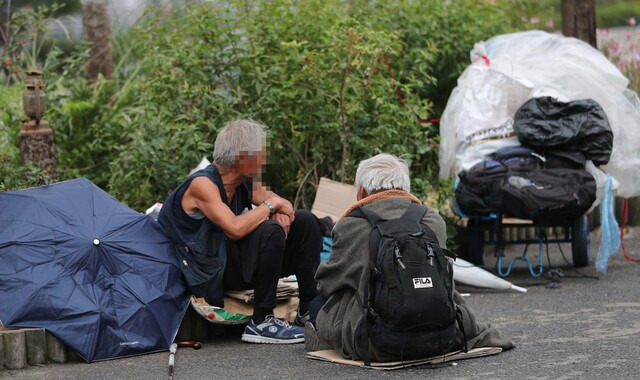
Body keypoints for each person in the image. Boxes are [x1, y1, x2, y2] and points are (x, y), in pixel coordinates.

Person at [308, 153, 514, 359]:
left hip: (375, 341)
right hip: (443, 333)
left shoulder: (350, 225)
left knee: (317, 303)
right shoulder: (432, 219)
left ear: (362, 191)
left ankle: (319, 336)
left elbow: (329, 282)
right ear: (405, 188)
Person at [158, 119, 322, 344]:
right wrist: (271, 207)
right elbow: (235, 228)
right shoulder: (202, 185)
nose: (264, 160)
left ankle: (308, 311)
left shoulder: (244, 182)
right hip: (208, 273)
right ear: (242, 158)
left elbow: (285, 206)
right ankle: (262, 321)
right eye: (260, 155)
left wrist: (278, 209)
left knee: (306, 221)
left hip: (228, 262)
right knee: (270, 229)